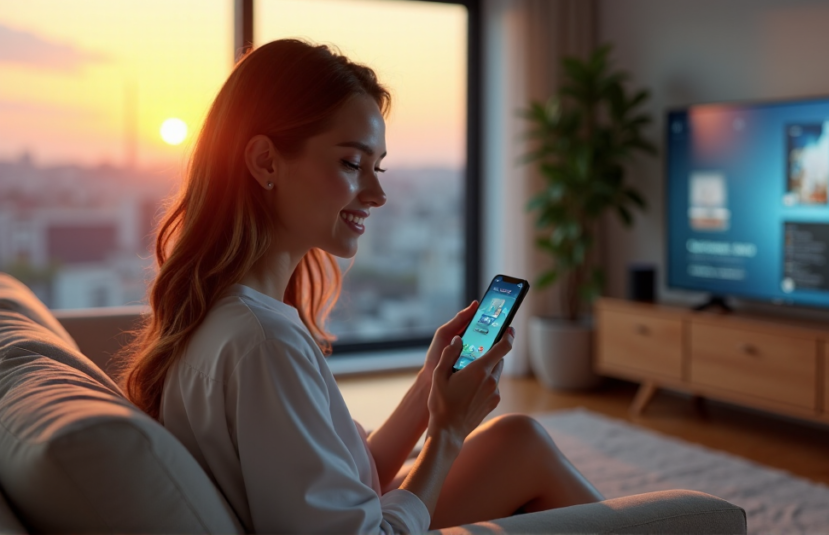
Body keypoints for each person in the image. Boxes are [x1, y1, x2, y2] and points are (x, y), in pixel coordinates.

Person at [117, 39, 602, 534]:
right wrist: (448, 433)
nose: (378, 194)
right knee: (523, 447)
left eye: (379, 167)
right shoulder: (264, 344)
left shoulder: (230, 315)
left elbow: (351, 480)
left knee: (515, 440)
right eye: (352, 164)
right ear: (265, 162)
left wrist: (427, 388)